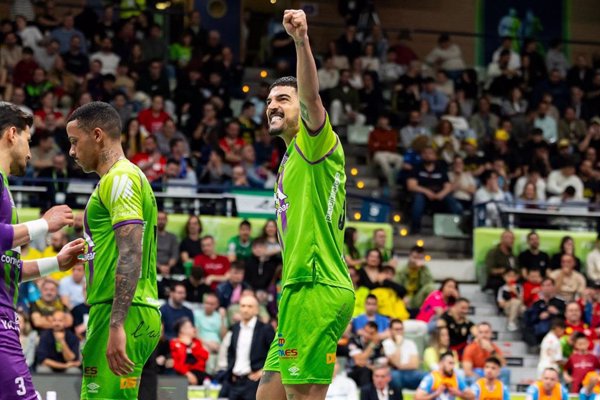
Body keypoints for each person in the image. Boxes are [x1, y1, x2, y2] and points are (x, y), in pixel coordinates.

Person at [256, 10, 355, 400]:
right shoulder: (288, 160)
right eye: (269, 100)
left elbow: (312, 96)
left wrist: (301, 41)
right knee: (268, 396)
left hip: (316, 286)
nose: (272, 106)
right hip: (296, 290)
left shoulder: (313, 145)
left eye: (283, 98)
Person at [66, 101, 161, 399]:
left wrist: (116, 323)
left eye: (74, 141)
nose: (71, 151)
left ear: (97, 135)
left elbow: (131, 251)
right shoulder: (120, 179)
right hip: (130, 310)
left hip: (120, 312)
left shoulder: (119, 178)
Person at [224, 295, 275, 400]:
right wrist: (231, 369)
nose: (245, 309)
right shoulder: (236, 328)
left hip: (253, 381)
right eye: (243, 306)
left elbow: (274, 352)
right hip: (235, 381)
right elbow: (231, 352)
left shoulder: (265, 329)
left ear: (256, 310)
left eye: (250, 306)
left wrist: (262, 371)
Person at [383, 319, 424, 390]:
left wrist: (400, 366)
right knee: (394, 376)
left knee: (426, 375)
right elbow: (396, 363)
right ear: (390, 330)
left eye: (401, 329)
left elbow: (415, 364)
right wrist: (398, 344)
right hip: (395, 373)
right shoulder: (386, 343)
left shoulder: (410, 343)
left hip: (411, 373)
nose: (399, 332)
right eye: (396, 329)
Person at [170, 317, 210, 385]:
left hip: (199, 373)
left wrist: (192, 345)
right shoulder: (175, 343)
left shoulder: (197, 342)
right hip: (183, 374)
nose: (194, 329)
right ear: (182, 330)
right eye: (191, 327)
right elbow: (176, 363)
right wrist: (187, 374)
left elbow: (205, 356)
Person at [395, 245, 435, 310]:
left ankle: (426, 310)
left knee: (430, 287)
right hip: (403, 298)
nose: (416, 260)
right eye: (414, 257)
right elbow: (396, 286)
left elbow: (428, 285)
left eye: (420, 258)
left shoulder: (424, 269)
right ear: (409, 256)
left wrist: (423, 269)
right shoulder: (401, 270)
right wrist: (403, 296)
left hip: (417, 298)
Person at [157, 210, 179, 275]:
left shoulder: (172, 237)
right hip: (154, 267)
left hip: (170, 268)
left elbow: (175, 255)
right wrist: (160, 267)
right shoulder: (151, 237)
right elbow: (149, 255)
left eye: (163, 219)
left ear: (166, 221)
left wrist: (168, 267)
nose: (161, 221)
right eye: (159, 219)